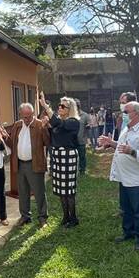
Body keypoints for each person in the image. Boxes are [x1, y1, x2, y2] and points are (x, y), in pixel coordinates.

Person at [104, 101, 139, 250]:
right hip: (124, 175)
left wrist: (132, 151)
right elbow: (122, 146)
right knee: (126, 207)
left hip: (136, 177)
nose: (123, 115)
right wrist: (110, 142)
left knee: (138, 209)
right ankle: (129, 232)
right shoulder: (127, 128)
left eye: (126, 112)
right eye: (123, 112)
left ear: (137, 114)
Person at [6, 103, 51, 226]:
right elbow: (12, 145)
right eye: (25, 117)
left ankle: (42, 217)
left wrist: (46, 127)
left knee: (39, 192)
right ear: (20, 115)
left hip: (35, 164)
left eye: (30, 116)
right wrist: (3, 137)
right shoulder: (17, 125)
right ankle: (25, 216)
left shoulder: (39, 124)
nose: (27, 119)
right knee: (23, 192)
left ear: (33, 114)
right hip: (20, 164)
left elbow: (48, 142)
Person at [41, 93, 81, 227]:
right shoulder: (59, 122)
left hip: (68, 157)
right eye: (59, 105)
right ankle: (65, 217)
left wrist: (46, 107)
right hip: (58, 156)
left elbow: (59, 124)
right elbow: (54, 135)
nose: (60, 108)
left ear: (70, 109)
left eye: (63, 106)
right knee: (61, 189)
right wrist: (47, 126)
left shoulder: (73, 122)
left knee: (69, 190)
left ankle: (73, 218)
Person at [75, 99, 90, 175]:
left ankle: (82, 170)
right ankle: (74, 170)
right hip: (71, 141)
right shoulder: (70, 115)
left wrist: (88, 126)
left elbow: (88, 125)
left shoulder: (85, 115)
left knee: (82, 156)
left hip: (81, 140)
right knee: (73, 157)